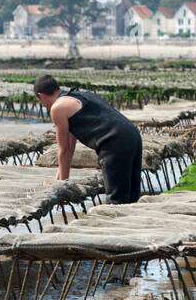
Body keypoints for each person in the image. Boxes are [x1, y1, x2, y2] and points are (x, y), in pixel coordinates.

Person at [34, 74, 143, 204]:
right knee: (131, 199)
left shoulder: (57, 108)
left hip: (113, 143)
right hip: (132, 135)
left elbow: (63, 150)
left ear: (41, 96)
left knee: (116, 202)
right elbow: (69, 150)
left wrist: (62, 187)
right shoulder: (75, 96)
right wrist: (61, 182)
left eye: (39, 101)